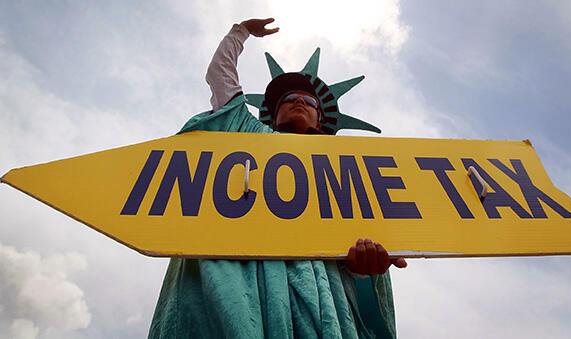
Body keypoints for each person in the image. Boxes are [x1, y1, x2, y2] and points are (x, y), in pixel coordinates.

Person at [149, 18, 406, 338]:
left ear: (319, 118)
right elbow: (220, 77)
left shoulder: (344, 168)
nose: (299, 101)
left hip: (324, 293)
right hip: (237, 276)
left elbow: (355, 242)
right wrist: (239, 33)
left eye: (309, 101)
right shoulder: (244, 131)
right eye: (289, 99)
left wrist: (363, 266)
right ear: (272, 112)